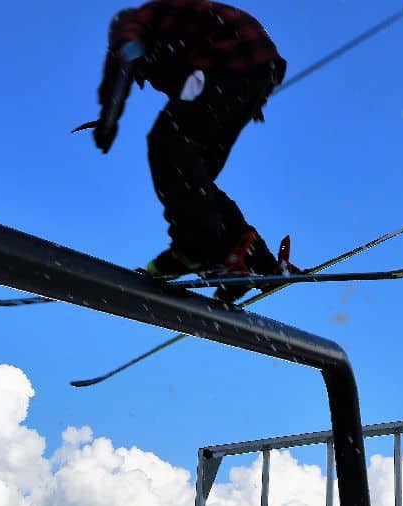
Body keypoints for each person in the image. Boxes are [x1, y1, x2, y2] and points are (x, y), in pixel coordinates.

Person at [93, 0, 296, 302]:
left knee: (167, 145)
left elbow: (121, 60)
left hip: (231, 62)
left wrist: (108, 120)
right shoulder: (177, 53)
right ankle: (251, 260)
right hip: (248, 72)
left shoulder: (137, 22)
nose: (145, 78)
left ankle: (194, 248)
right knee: (194, 180)